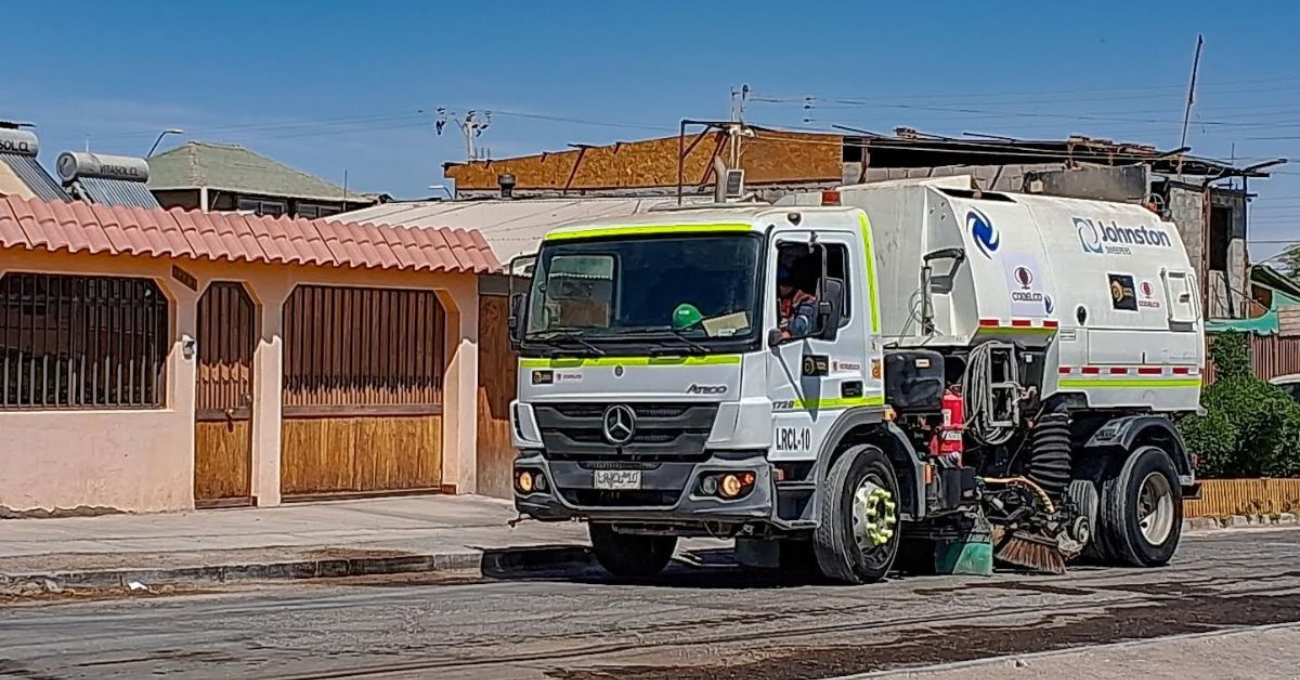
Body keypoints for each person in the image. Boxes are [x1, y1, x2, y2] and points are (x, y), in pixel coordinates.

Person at [778, 249, 818, 340]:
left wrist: (789, 327)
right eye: (779, 282)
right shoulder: (768, 296)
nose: (782, 287)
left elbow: (803, 324)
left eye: (786, 283)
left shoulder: (805, 299)